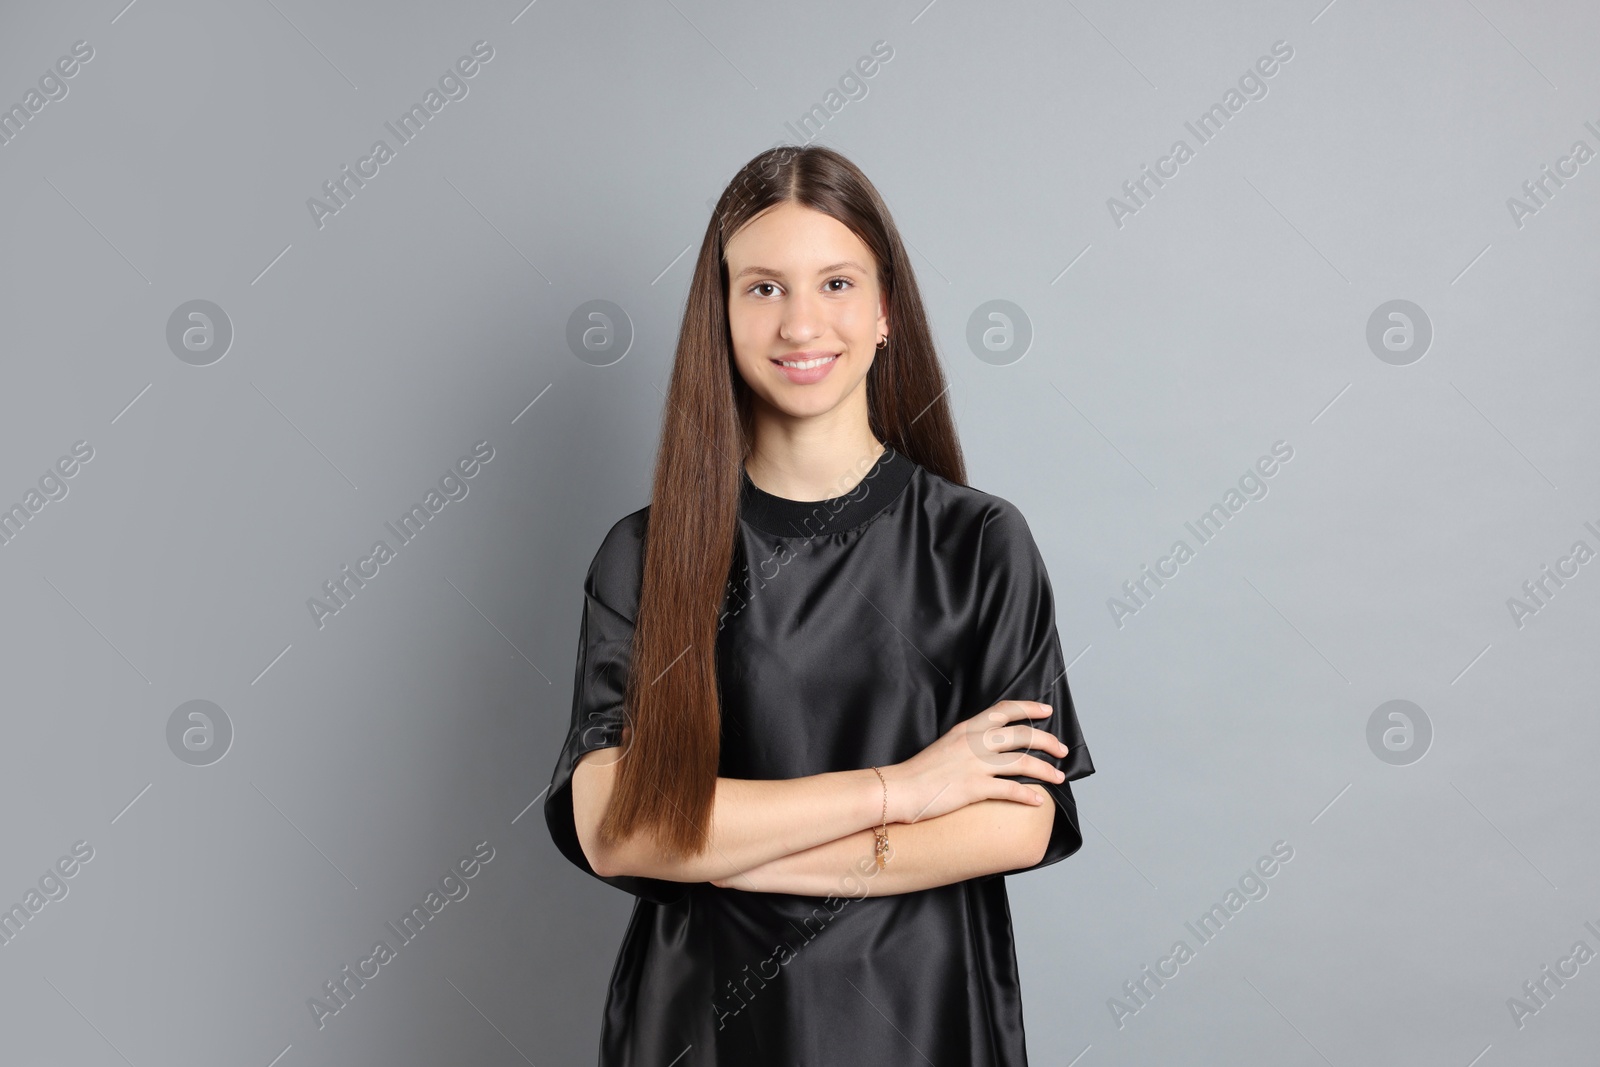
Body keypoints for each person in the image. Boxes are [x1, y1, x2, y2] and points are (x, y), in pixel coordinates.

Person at [544, 143, 1095, 1065]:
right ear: (719, 316)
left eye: (836, 283)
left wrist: (718, 850)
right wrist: (905, 790)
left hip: (922, 1021)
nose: (802, 323)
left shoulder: (980, 546)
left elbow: (1015, 820)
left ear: (886, 312)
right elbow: (613, 828)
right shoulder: (646, 557)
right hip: (700, 1030)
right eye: (763, 288)